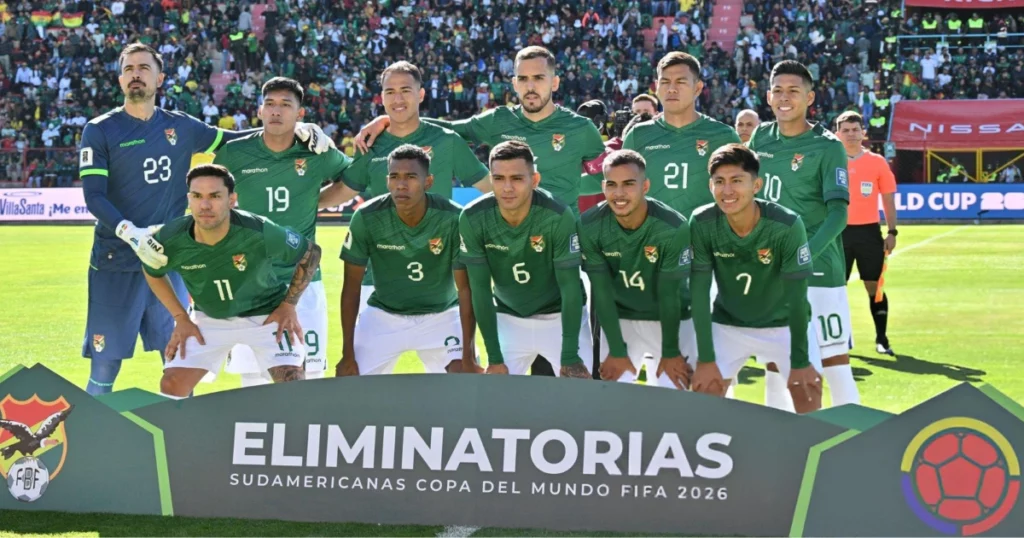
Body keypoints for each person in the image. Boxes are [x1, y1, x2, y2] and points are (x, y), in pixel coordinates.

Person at [78, 43, 331, 395]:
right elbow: (94, 196)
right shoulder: (100, 130)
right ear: (120, 79)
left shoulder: (180, 126)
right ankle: (92, 441)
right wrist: (129, 233)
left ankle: (178, 441)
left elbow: (236, 140)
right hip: (116, 258)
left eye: (144, 67)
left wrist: (297, 131)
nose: (136, 73)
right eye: (129, 68)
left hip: (172, 258)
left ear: (160, 77)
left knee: (180, 357)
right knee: (106, 363)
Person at [210, 77, 352, 387]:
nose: (277, 111)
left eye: (286, 105)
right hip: (249, 282)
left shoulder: (316, 151)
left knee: (310, 375)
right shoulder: (233, 155)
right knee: (253, 380)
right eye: (270, 104)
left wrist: (316, 200)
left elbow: (354, 180)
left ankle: (304, 437)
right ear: (259, 111)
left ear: (300, 114)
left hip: (303, 283)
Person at [319, 61, 491, 315]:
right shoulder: (371, 144)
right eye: (390, 92)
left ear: (420, 94)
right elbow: (344, 189)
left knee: (460, 355)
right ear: (382, 98)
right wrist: (304, 201)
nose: (397, 98)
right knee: (361, 354)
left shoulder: (446, 141)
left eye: (405, 90)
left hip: (440, 278)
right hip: (380, 277)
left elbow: (488, 186)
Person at [142, 164, 322, 398]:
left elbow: (311, 253)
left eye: (215, 196)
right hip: (209, 318)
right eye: (197, 196)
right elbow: (152, 271)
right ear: (189, 199)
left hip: (265, 315)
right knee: (171, 384)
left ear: (232, 199)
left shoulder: (259, 230)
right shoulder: (170, 238)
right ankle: (189, 435)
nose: (205, 205)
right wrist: (181, 317)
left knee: (293, 384)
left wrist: (289, 305)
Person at [355, 46, 605, 214]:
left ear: (555, 82)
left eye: (539, 78)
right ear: (514, 83)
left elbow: (603, 178)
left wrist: (564, 187)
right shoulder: (498, 120)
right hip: (510, 237)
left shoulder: (581, 128)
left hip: (563, 238)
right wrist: (389, 119)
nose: (531, 87)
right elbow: (451, 129)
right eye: (524, 79)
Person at [748, 60, 858, 409]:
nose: (784, 97)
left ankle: (854, 443)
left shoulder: (828, 146)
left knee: (833, 362)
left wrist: (802, 256)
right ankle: (780, 444)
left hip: (819, 271)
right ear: (768, 96)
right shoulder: (761, 137)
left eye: (793, 91)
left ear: (810, 97)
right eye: (777, 90)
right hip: (770, 269)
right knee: (774, 363)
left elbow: (839, 214)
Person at [689, 144, 823, 414]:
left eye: (737, 181)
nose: (727, 191)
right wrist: (705, 358)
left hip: (784, 326)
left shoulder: (786, 225)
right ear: (710, 186)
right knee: (702, 405)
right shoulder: (701, 222)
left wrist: (800, 360)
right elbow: (699, 294)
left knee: (809, 402)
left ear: (756, 185)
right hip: (728, 325)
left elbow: (798, 297)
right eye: (719, 182)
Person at [335, 146, 477, 376]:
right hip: (384, 315)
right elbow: (351, 288)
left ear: (428, 182)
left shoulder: (452, 218)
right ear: (387, 181)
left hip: (442, 314)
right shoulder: (367, 217)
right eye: (394, 177)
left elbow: (466, 289)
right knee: (351, 379)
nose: (401, 184)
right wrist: (347, 354)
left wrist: (468, 354)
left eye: (411, 177)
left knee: (465, 379)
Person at [458, 141, 593, 379]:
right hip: (509, 316)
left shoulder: (557, 215)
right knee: (496, 403)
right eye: (498, 179)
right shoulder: (472, 217)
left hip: (559, 317)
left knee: (583, 397)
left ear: (535, 179)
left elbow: (570, 286)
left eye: (517, 179)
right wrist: (495, 358)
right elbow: (480, 289)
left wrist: (570, 354)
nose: (507, 187)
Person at [580, 150, 695, 388]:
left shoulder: (672, 227)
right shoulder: (589, 225)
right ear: (603, 186)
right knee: (614, 402)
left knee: (675, 400)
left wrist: (671, 350)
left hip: (669, 319)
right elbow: (600, 291)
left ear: (645, 186)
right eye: (612, 184)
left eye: (629, 184)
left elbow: (669, 294)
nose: (619, 193)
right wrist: (616, 349)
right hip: (619, 319)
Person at [622, 52, 742, 220]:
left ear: (698, 88)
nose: (671, 88)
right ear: (656, 87)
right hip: (653, 240)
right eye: (665, 82)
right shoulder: (638, 136)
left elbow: (742, 194)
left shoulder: (724, 136)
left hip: (705, 241)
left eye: (680, 81)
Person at [835, 111, 898, 356]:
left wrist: (892, 231)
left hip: (869, 233)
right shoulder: (830, 160)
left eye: (855, 129)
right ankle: (837, 340)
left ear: (864, 133)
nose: (851, 134)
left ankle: (882, 338)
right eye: (846, 130)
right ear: (837, 134)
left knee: (875, 287)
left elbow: (888, 198)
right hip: (837, 233)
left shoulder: (877, 162)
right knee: (833, 288)